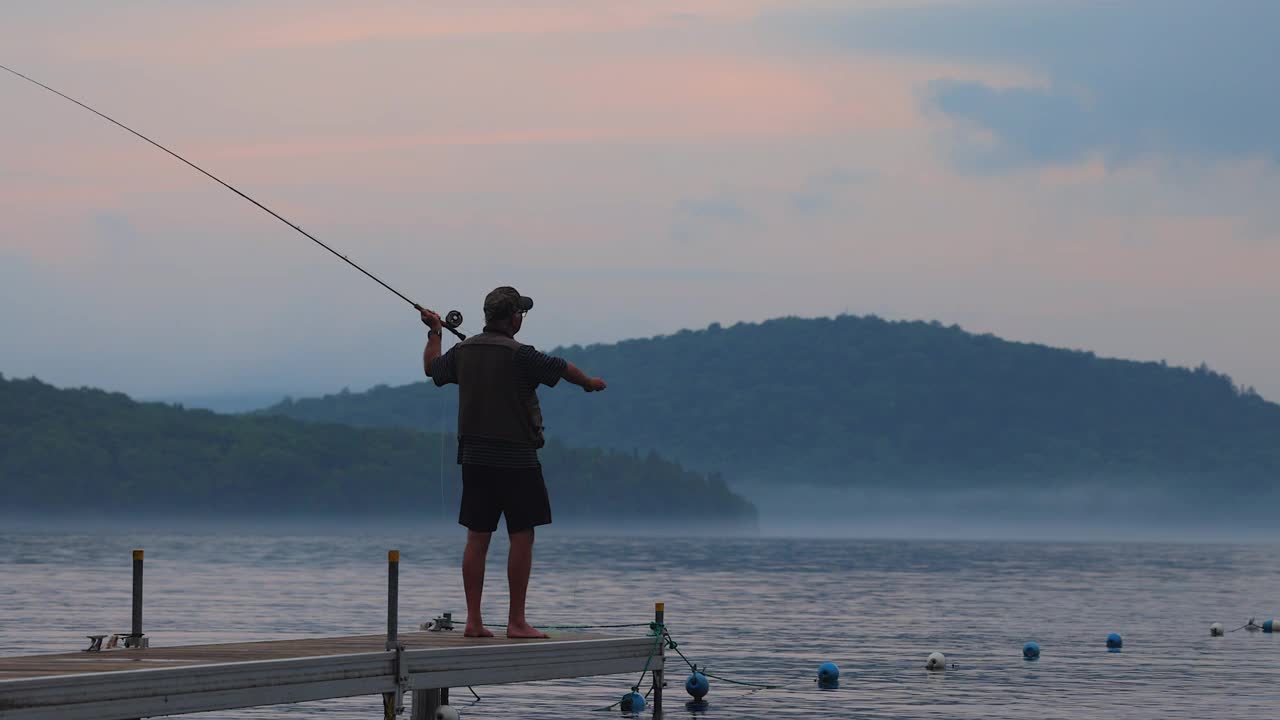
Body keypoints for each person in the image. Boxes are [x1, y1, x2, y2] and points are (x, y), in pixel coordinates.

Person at [420, 286, 607, 638]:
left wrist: (434, 331)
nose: (522, 317)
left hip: (474, 460)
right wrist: (589, 384)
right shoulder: (522, 355)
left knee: (477, 538)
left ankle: (474, 622)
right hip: (518, 460)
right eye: (520, 312)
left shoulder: (463, 351)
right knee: (522, 536)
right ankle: (516, 621)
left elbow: (431, 368)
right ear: (512, 318)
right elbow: (563, 368)